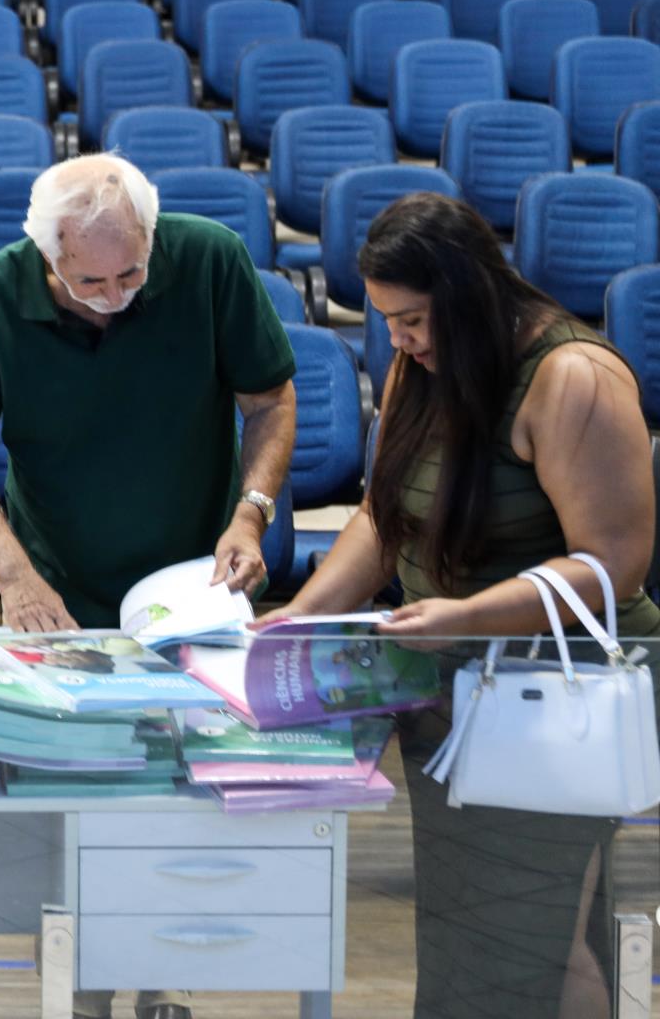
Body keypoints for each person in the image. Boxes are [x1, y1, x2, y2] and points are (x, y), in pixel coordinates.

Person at [263, 193, 660, 1019]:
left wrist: (466, 614)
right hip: (454, 693)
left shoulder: (574, 378)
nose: (398, 340)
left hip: (555, 699)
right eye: (387, 322)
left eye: (411, 320)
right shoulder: (424, 364)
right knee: (475, 935)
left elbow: (612, 567)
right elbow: (384, 515)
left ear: (466, 292)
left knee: (539, 938)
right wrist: (303, 613)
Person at [0, 154, 297, 1019]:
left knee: (177, 786)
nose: (114, 295)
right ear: (47, 254)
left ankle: (163, 970)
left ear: (151, 237)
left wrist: (250, 513)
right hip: (58, 585)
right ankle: (81, 979)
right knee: (72, 793)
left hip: (189, 583)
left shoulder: (207, 260)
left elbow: (270, 400)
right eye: (87, 281)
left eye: (131, 273)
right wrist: (15, 577)